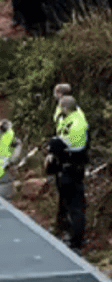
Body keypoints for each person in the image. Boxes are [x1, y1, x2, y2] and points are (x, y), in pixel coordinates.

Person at [48, 94, 88, 250]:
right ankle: (65, 231)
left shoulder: (77, 123)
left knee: (76, 206)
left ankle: (75, 242)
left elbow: (74, 147)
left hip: (72, 169)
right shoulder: (71, 117)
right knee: (66, 203)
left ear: (65, 108)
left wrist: (55, 145)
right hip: (65, 168)